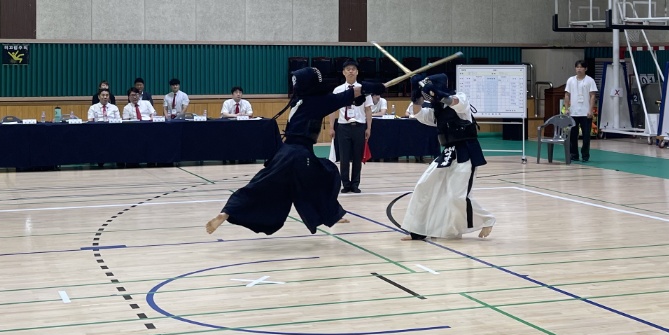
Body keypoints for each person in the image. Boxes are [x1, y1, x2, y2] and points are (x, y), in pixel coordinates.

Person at [206, 66, 385, 237]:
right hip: (300, 155)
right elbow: (351, 93)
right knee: (328, 175)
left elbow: (346, 97)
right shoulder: (319, 101)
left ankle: (228, 211)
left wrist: (360, 95)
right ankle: (331, 214)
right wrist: (376, 87)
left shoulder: (299, 100)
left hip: (283, 153)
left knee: (260, 185)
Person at [401, 74, 495, 241]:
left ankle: (486, 219)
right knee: (424, 186)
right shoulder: (436, 110)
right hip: (448, 153)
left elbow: (453, 101)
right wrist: (416, 96)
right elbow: (418, 114)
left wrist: (438, 93)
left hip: (466, 152)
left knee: (456, 197)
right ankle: (418, 230)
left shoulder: (460, 98)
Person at [331, 60, 370, 194]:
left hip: (359, 126)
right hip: (343, 126)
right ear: (343, 72)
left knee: (357, 157)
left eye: (353, 69)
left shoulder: (364, 89)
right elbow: (333, 109)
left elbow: (368, 110)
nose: (351, 71)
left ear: (357, 72)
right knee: (344, 157)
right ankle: (345, 184)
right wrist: (331, 127)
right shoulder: (338, 90)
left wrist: (368, 128)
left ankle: (355, 184)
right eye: (348, 69)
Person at [562, 59, 598, 162]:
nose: (579, 69)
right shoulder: (570, 80)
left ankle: (585, 155)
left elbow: (592, 96)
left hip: (585, 113)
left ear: (585, 69)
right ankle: (574, 154)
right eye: (577, 67)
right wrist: (567, 108)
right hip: (573, 113)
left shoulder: (590, 80)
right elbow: (567, 95)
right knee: (573, 135)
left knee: (586, 136)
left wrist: (591, 110)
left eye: (581, 67)